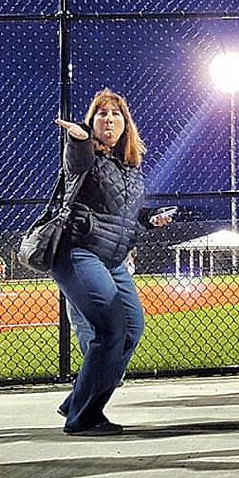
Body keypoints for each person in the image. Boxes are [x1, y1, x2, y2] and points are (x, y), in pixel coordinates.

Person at [53, 88, 175, 436]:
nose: (109, 120)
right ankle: (84, 418)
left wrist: (148, 219)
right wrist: (78, 139)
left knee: (132, 328)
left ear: (126, 123)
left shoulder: (129, 166)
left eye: (116, 114)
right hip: (79, 252)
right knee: (110, 330)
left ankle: (80, 399)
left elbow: (123, 216)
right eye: (101, 114)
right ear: (92, 121)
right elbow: (75, 163)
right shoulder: (86, 154)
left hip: (113, 258)